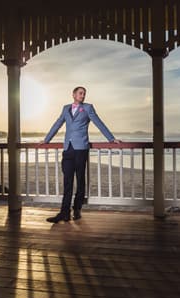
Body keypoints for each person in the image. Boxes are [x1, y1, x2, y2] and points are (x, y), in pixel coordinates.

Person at [42, 86, 121, 223]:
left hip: (81, 149)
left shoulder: (88, 108)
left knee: (80, 180)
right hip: (68, 149)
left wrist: (111, 138)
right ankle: (64, 213)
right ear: (73, 94)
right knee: (67, 182)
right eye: (80, 93)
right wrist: (46, 140)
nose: (83, 95)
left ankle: (77, 209)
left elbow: (99, 123)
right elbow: (58, 123)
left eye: (84, 94)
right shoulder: (65, 108)